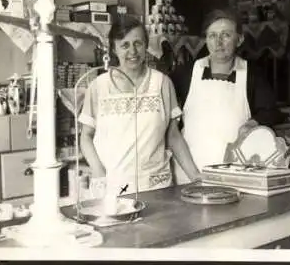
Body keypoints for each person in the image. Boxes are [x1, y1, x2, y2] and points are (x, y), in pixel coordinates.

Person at [78, 16, 200, 195]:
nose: (132, 51)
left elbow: (173, 135)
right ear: (113, 48)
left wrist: (195, 176)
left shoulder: (162, 83)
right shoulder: (98, 86)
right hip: (112, 186)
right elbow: (86, 137)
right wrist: (98, 172)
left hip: (155, 186)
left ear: (146, 45)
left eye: (138, 43)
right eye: (124, 45)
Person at [173, 8, 288, 185]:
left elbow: (272, 112)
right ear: (206, 40)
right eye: (212, 36)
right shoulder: (185, 74)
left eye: (226, 35)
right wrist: (192, 173)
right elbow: (171, 125)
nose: (218, 42)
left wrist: (252, 123)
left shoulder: (252, 75)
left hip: (236, 172)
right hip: (189, 173)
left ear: (239, 39)